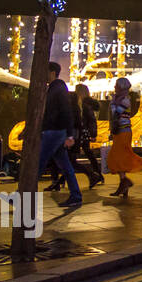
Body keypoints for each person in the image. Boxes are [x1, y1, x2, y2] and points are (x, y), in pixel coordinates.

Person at [39, 62, 82, 205]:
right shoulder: (53, 89)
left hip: (54, 131)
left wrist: (70, 135)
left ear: (52, 72)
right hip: (55, 131)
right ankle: (76, 195)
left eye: (44, 70)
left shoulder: (58, 89)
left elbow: (66, 111)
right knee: (65, 165)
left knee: (38, 162)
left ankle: (21, 196)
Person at [107, 77, 142, 198]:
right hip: (118, 130)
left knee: (118, 156)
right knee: (119, 156)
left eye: (117, 85)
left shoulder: (125, 99)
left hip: (123, 130)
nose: (115, 87)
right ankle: (124, 184)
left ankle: (125, 182)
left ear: (121, 87)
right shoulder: (117, 98)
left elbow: (116, 113)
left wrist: (113, 103)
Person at [72, 84, 104, 187]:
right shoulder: (86, 104)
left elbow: (91, 120)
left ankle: (95, 174)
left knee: (73, 156)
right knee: (87, 153)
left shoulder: (84, 105)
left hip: (82, 132)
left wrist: (93, 133)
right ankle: (97, 174)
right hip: (84, 132)